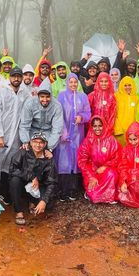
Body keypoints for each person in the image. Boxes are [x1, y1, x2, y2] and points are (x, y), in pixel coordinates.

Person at [0, 67, 30, 205]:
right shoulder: (2, 92)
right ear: (10, 78)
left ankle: (5, 194)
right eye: (14, 76)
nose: (16, 79)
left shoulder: (25, 93)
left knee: (9, 165)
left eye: (19, 76)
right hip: (2, 134)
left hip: (16, 136)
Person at [54, 73, 91, 201]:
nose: (73, 84)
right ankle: (63, 190)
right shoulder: (61, 96)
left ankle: (73, 190)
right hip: (64, 134)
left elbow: (88, 113)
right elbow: (58, 114)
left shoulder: (83, 96)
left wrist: (82, 117)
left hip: (78, 134)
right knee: (63, 160)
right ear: (67, 83)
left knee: (76, 159)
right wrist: (63, 131)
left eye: (75, 82)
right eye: (71, 82)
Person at [9, 132, 58, 225]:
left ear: (45, 144)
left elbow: (52, 182)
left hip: (38, 186)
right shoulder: (23, 152)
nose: (38, 145)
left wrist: (44, 201)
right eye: (35, 142)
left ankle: (33, 201)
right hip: (22, 183)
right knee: (14, 181)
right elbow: (12, 169)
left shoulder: (48, 158)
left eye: (41, 142)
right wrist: (31, 176)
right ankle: (19, 211)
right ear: (30, 142)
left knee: (48, 204)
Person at [77, 115, 120, 204]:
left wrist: (105, 166)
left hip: (106, 171)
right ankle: (91, 192)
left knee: (111, 174)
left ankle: (108, 196)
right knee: (94, 196)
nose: (98, 128)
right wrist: (90, 176)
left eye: (100, 125)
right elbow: (82, 161)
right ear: (91, 127)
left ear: (104, 125)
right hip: (92, 171)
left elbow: (117, 157)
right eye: (95, 126)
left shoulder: (111, 140)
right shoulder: (87, 141)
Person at [19, 78, 64, 152]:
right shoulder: (30, 103)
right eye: (42, 97)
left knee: (47, 157)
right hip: (32, 131)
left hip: (48, 133)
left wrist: (50, 147)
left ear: (51, 96)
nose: (45, 100)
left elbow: (57, 128)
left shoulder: (57, 106)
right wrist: (25, 141)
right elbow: (24, 124)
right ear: (38, 95)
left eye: (47, 97)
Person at [114, 76, 138, 145]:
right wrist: (118, 129)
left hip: (133, 132)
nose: (128, 87)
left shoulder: (136, 98)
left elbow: (137, 114)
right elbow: (114, 113)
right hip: (120, 132)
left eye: (129, 85)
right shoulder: (116, 96)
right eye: (125, 85)